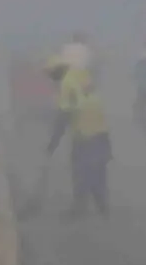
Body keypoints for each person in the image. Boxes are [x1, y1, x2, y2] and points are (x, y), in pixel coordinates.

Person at [45, 51, 111, 216]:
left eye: (52, 75)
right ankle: (102, 207)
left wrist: (54, 141)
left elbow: (64, 114)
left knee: (80, 169)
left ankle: (79, 208)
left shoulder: (66, 83)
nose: (52, 80)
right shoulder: (81, 74)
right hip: (101, 127)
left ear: (57, 71)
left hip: (84, 130)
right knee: (98, 168)